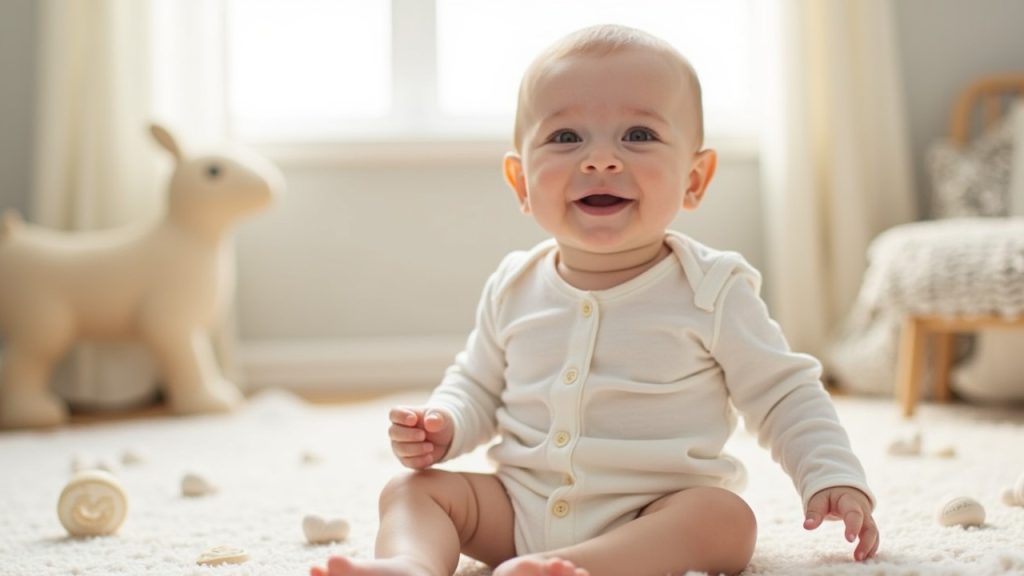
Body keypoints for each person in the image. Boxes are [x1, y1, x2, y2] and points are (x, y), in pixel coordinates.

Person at [311, 23, 879, 576]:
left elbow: (784, 394)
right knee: (413, 490)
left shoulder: (714, 289)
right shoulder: (515, 285)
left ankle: (574, 568)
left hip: (653, 514)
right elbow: (478, 385)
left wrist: (831, 474)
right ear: (520, 184)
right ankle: (410, 564)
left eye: (639, 135)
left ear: (695, 178)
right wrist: (445, 423)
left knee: (725, 520)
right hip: (518, 507)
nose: (600, 159)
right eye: (565, 137)